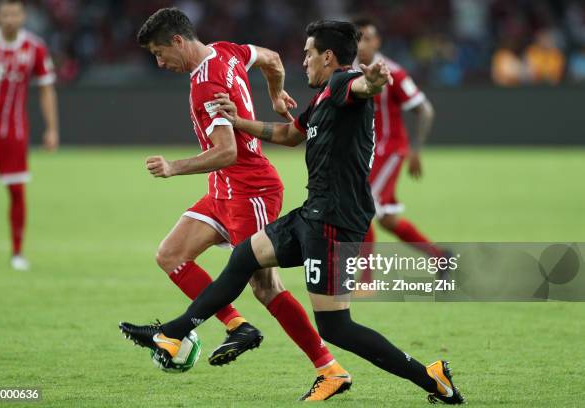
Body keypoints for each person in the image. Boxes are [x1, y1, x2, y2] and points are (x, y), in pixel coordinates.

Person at [121, 20, 464, 404]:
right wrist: (237, 121)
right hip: (311, 214)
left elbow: (361, 87)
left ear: (328, 57)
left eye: (308, 54)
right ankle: (176, 331)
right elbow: (288, 135)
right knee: (243, 257)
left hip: (334, 223)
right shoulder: (320, 99)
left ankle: (430, 377)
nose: (302, 61)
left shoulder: (342, 84)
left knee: (337, 327)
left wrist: (376, 82)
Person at [119, 8, 346, 399]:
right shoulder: (226, 50)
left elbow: (226, 152)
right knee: (172, 254)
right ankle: (236, 326)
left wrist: (174, 167)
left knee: (265, 286)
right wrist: (275, 93)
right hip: (222, 191)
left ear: (177, 41)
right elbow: (273, 59)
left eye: (159, 53)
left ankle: (330, 368)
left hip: (250, 188)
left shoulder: (205, 84)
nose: (159, 63)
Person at [352, 18, 449, 285]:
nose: (361, 44)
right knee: (388, 220)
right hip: (367, 152)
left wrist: (416, 150)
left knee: (363, 205)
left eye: (366, 38)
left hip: (390, 149)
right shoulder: (349, 72)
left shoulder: (394, 72)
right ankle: (440, 257)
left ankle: (366, 279)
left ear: (377, 41)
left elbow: (424, 109)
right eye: (356, 38)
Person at [0, 0, 59, 271]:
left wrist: (52, 128)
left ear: (23, 16)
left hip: (14, 131)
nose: (10, 18)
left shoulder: (34, 47)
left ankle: (17, 253)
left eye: (15, 14)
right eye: (5, 14)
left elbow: (46, 89)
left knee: (17, 191)